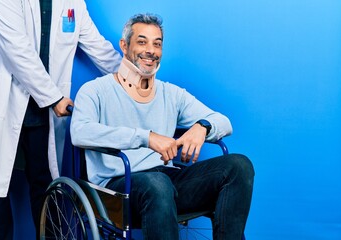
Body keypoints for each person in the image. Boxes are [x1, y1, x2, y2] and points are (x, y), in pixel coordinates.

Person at [70, 13, 254, 240]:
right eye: (142, 42)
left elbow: (224, 121)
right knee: (157, 184)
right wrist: (146, 137)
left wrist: (202, 126)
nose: (151, 50)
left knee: (239, 165)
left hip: (166, 182)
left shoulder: (171, 94)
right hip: (117, 188)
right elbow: (79, 132)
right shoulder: (95, 90)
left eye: (157, 44)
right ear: (124, 46)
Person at [0, 0, 121, 239]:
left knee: (46, 188)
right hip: (2, 103)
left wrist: (131, 78)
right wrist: (54, 97)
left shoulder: (73, 3)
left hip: (41, 114)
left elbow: (98, 47)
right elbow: (15, 48)